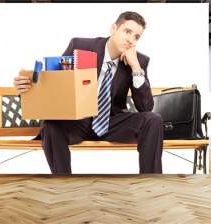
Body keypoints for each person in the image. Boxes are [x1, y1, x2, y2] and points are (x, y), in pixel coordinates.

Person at [14, 11, 163, 174]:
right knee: (50, 125)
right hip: (78, 121)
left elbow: (146, 107)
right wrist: (26, 88)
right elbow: (55, 84)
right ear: (114, 28)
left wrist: (135, 68)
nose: (130, 40)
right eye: (127, 31)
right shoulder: (81, 46)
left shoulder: (139, 61)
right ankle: (63, 184)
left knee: (153, 119)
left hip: (112, 122)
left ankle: (150, 182)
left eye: (136, 37)